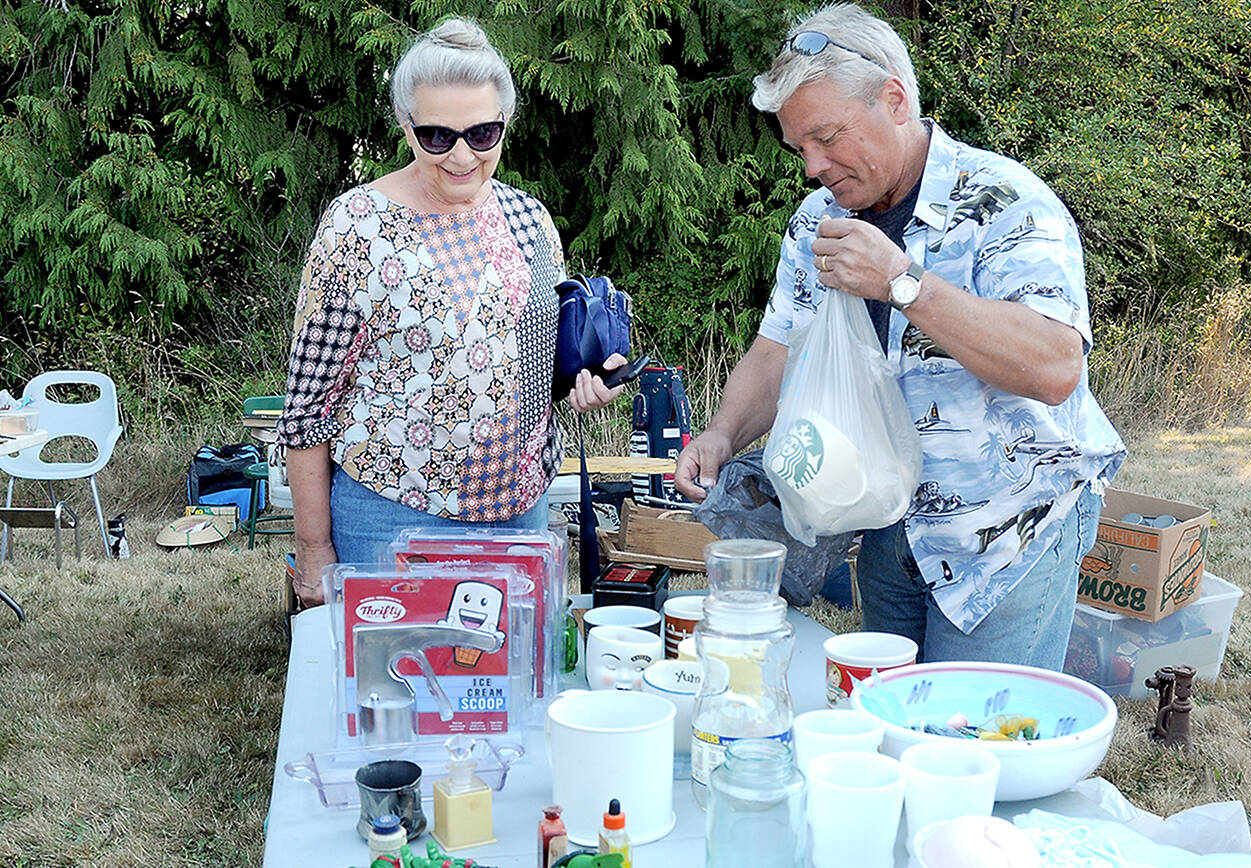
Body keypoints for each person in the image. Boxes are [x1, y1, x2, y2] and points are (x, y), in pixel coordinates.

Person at [674, 4, 1126, 670]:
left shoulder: (1006, 203)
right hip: (890, 528)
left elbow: (1056, 365)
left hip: (1009, 529)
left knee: (978, 742)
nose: (812, 166)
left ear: (893, 99)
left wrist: (903, 282)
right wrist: (721, 434)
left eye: (827, 137)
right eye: (799, 147)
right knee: (891, 727)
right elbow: (778, 350)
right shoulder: (818, 222)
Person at [278, 19, 623, 606]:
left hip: (520, 517)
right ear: (406, 127)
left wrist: (585, 381)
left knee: (507, 688)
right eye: (437, 136)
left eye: (483, 133)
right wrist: (314, 550)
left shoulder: (529, 220)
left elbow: (537, 369)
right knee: (394, 689)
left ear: (505, 125)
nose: (463, 155)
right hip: (391, 520)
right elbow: (308, 406)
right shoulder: (355, 224)